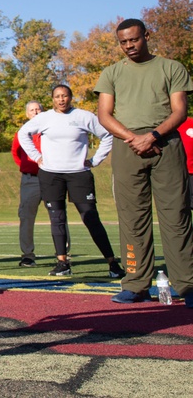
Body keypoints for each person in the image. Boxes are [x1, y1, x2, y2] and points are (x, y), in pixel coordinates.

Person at [95, 19, 193, 306]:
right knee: (132, 218)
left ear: (147, 36)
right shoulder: (111, 73)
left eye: (134, 40)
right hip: (127, 149)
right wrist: (133, 138)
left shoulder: (171, 67)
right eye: (123, 42)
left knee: (176, 216)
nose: (129, 46)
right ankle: (136, 284)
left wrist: (152, 136)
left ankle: (187, 285)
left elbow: (180, 111)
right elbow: (104, 115)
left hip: (166, 146)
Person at [17, 85, 123, 278]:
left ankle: (112, 263)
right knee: (57, 218)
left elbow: (107, 135)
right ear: (52, 99)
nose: (61, 99)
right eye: (57, 96)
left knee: (90, 217)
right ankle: (62, 262)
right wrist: (36, 156)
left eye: (65, 96)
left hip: (78, 174)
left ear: (71, 97)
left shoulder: (84, 117)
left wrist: (95, 160)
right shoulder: (44, 118)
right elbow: (23, 134)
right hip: (51, 175)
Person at [11, 100, 44, 267]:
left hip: (51, 176)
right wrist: (26, 166)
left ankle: (63, 256)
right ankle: (28, 255)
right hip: (30, 178)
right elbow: (15, 153)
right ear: (27, 114)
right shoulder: (22, 132)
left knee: (59, 215)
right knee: (26, 216)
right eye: (32, 110)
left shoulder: (49, 129)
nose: (36, 112)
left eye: (38, 109)